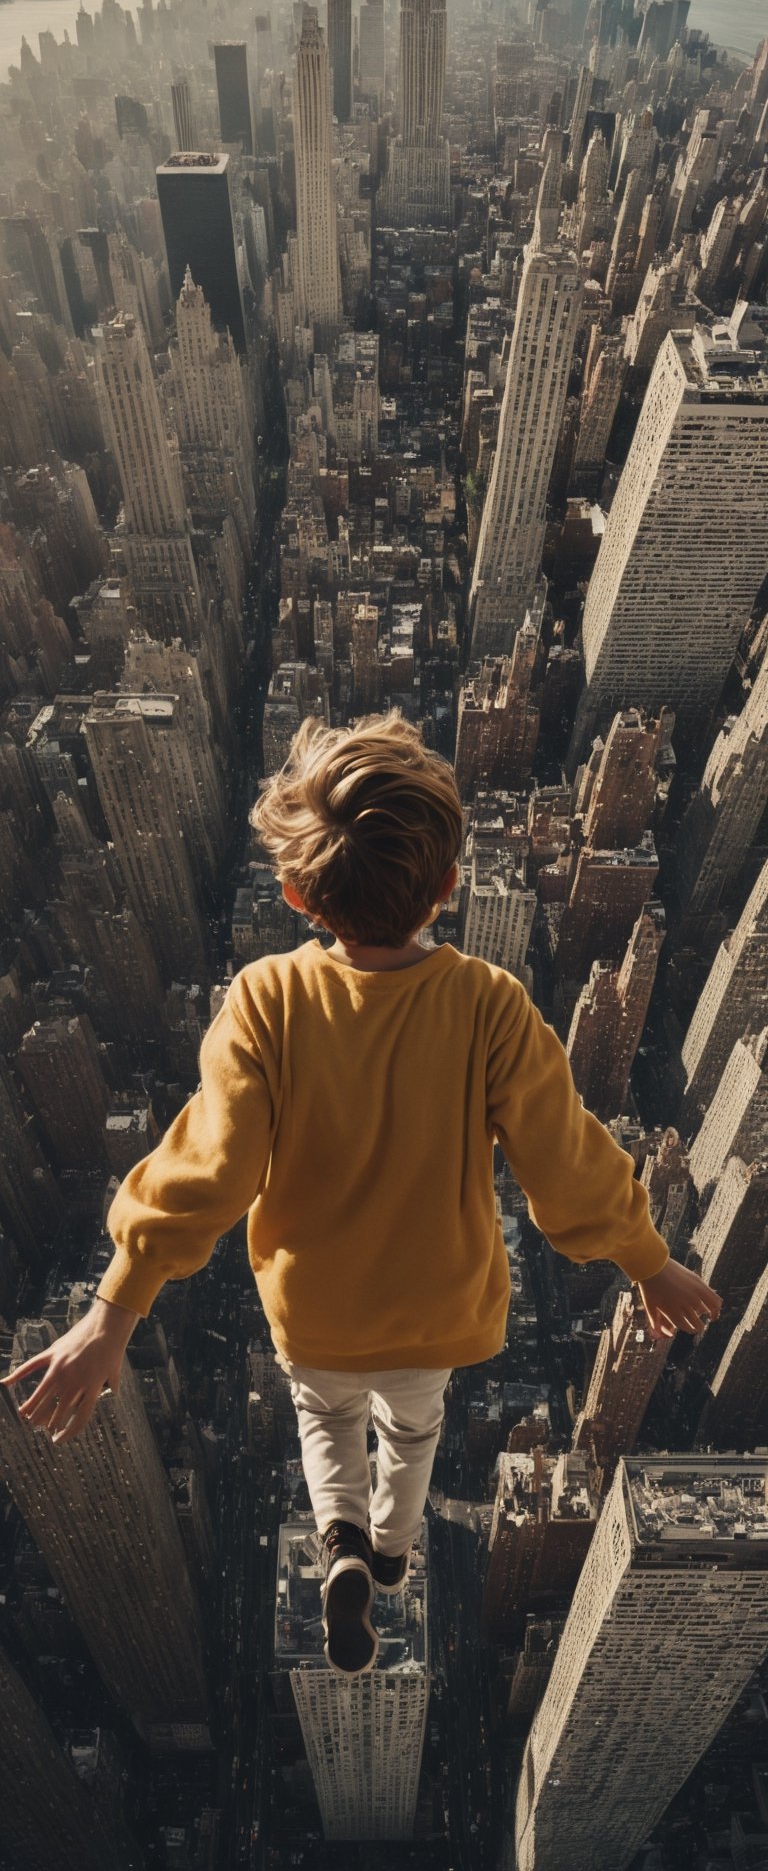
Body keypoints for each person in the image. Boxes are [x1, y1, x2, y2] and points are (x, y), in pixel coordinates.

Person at [1, 711, 721, 1677]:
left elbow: (210, 1172)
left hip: (317, 1311)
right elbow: (566, 1167)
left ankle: (341, 1537)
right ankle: (386, 1547)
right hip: (437, 1309)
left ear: (299, 896)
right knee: (410, 1427)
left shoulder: (267, 999)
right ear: (450, 886)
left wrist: (110, 1315)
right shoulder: (490, 1003)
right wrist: (650, 1260)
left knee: (325, 1421)